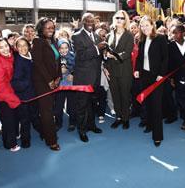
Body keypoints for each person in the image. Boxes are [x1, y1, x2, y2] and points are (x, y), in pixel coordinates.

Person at [134, 16, 168, 147]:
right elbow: (139, 58)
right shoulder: (142, 40)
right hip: (145, 76)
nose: (144, 28)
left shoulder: (160, 38)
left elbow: (165, 58)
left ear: (152, 25)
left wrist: (161, 74)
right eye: (142, 26)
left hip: (157, 77)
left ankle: (157, 136)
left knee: (156, 106)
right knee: (147, 103)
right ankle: (149, 125)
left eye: (146, 25)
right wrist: (137, 69)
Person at [72, 13, 106, 142]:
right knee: (82, 105)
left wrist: (105, 53)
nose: (90, 23)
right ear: (82, 21)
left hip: (95, 77)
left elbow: (98, 55)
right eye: (87, 20)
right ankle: (82, 130)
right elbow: (80, 56)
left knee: (92, 103)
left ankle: (91, 126)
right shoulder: (76, 36)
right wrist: (97, 48)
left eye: (92, 21)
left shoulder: (97, 36)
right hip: (83, 78)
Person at [31, 17, 61, 151]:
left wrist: (58, 77)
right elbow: (38, 63)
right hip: (42, 83)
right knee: (46, 112)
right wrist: (49, 80)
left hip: (53, 82)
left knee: (49, 110)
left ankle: (46, 133)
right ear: (41, 29)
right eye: (48, 27)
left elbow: (57, 61)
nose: (51, 30)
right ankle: (52, 140)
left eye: (52, 27)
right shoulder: (37, 41)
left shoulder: (53, 41)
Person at [0, 38, 21, 152]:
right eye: (1, 47)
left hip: (10, 92)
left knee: (13, 118)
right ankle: (10, 144)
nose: (5, 49)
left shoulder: (10, 57)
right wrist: (12, 98)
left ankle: (13, 137)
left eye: (6, 46)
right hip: (2, 96)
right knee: (8, 121)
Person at [105, 10, 134, 129]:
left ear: (125, 20)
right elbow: (105, 52)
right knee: (115, 95)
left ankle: (126, 118)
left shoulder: (129, 35)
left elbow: (127, 53)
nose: (119, 20)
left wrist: (114, 56)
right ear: (114, 19)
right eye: (117, 18)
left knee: (125, 95)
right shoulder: (109, 35)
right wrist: (105, 66)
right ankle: (118, 117)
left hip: (125, 70)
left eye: (122, 18)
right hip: (111, 70)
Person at [11, 37, 37, 148]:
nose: (22, 48)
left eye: (24, 45)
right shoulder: (18, 61)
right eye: (19, 46)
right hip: (24, 95)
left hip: (34, 93)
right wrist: (29, 82)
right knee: (25, 119)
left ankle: (42, 132)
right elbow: (15, 82)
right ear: (16, 48)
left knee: (35, 115)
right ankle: (25, 140)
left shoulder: (31, 56)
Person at [54, 38, 77, 132]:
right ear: (58, 49)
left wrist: (72, 74)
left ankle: (72, 122)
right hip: (59, 85)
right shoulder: (55, 57)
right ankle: (58, 123)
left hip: (71, 84)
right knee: (58, 106)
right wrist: (59, 72)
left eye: (66, 47)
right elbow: (51, 71)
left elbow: (78, 68)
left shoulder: (73, 56)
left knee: (72, 105)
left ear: (69, 47)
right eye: (61, 48)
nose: (64, 50)